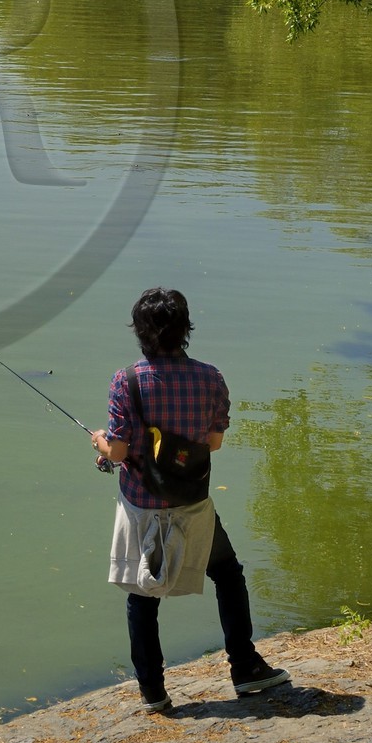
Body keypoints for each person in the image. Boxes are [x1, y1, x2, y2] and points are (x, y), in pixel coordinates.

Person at [91, 288, 291, 712]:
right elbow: (213, 443)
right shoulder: (210, 377)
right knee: (228, 575)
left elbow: (120, 452)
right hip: (193, 504)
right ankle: (244, 668)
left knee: (141, 595)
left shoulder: (126, 381)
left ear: (141, 332)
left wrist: (101, 444)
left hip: (142, 506)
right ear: (185, 329)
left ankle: (153, 692)